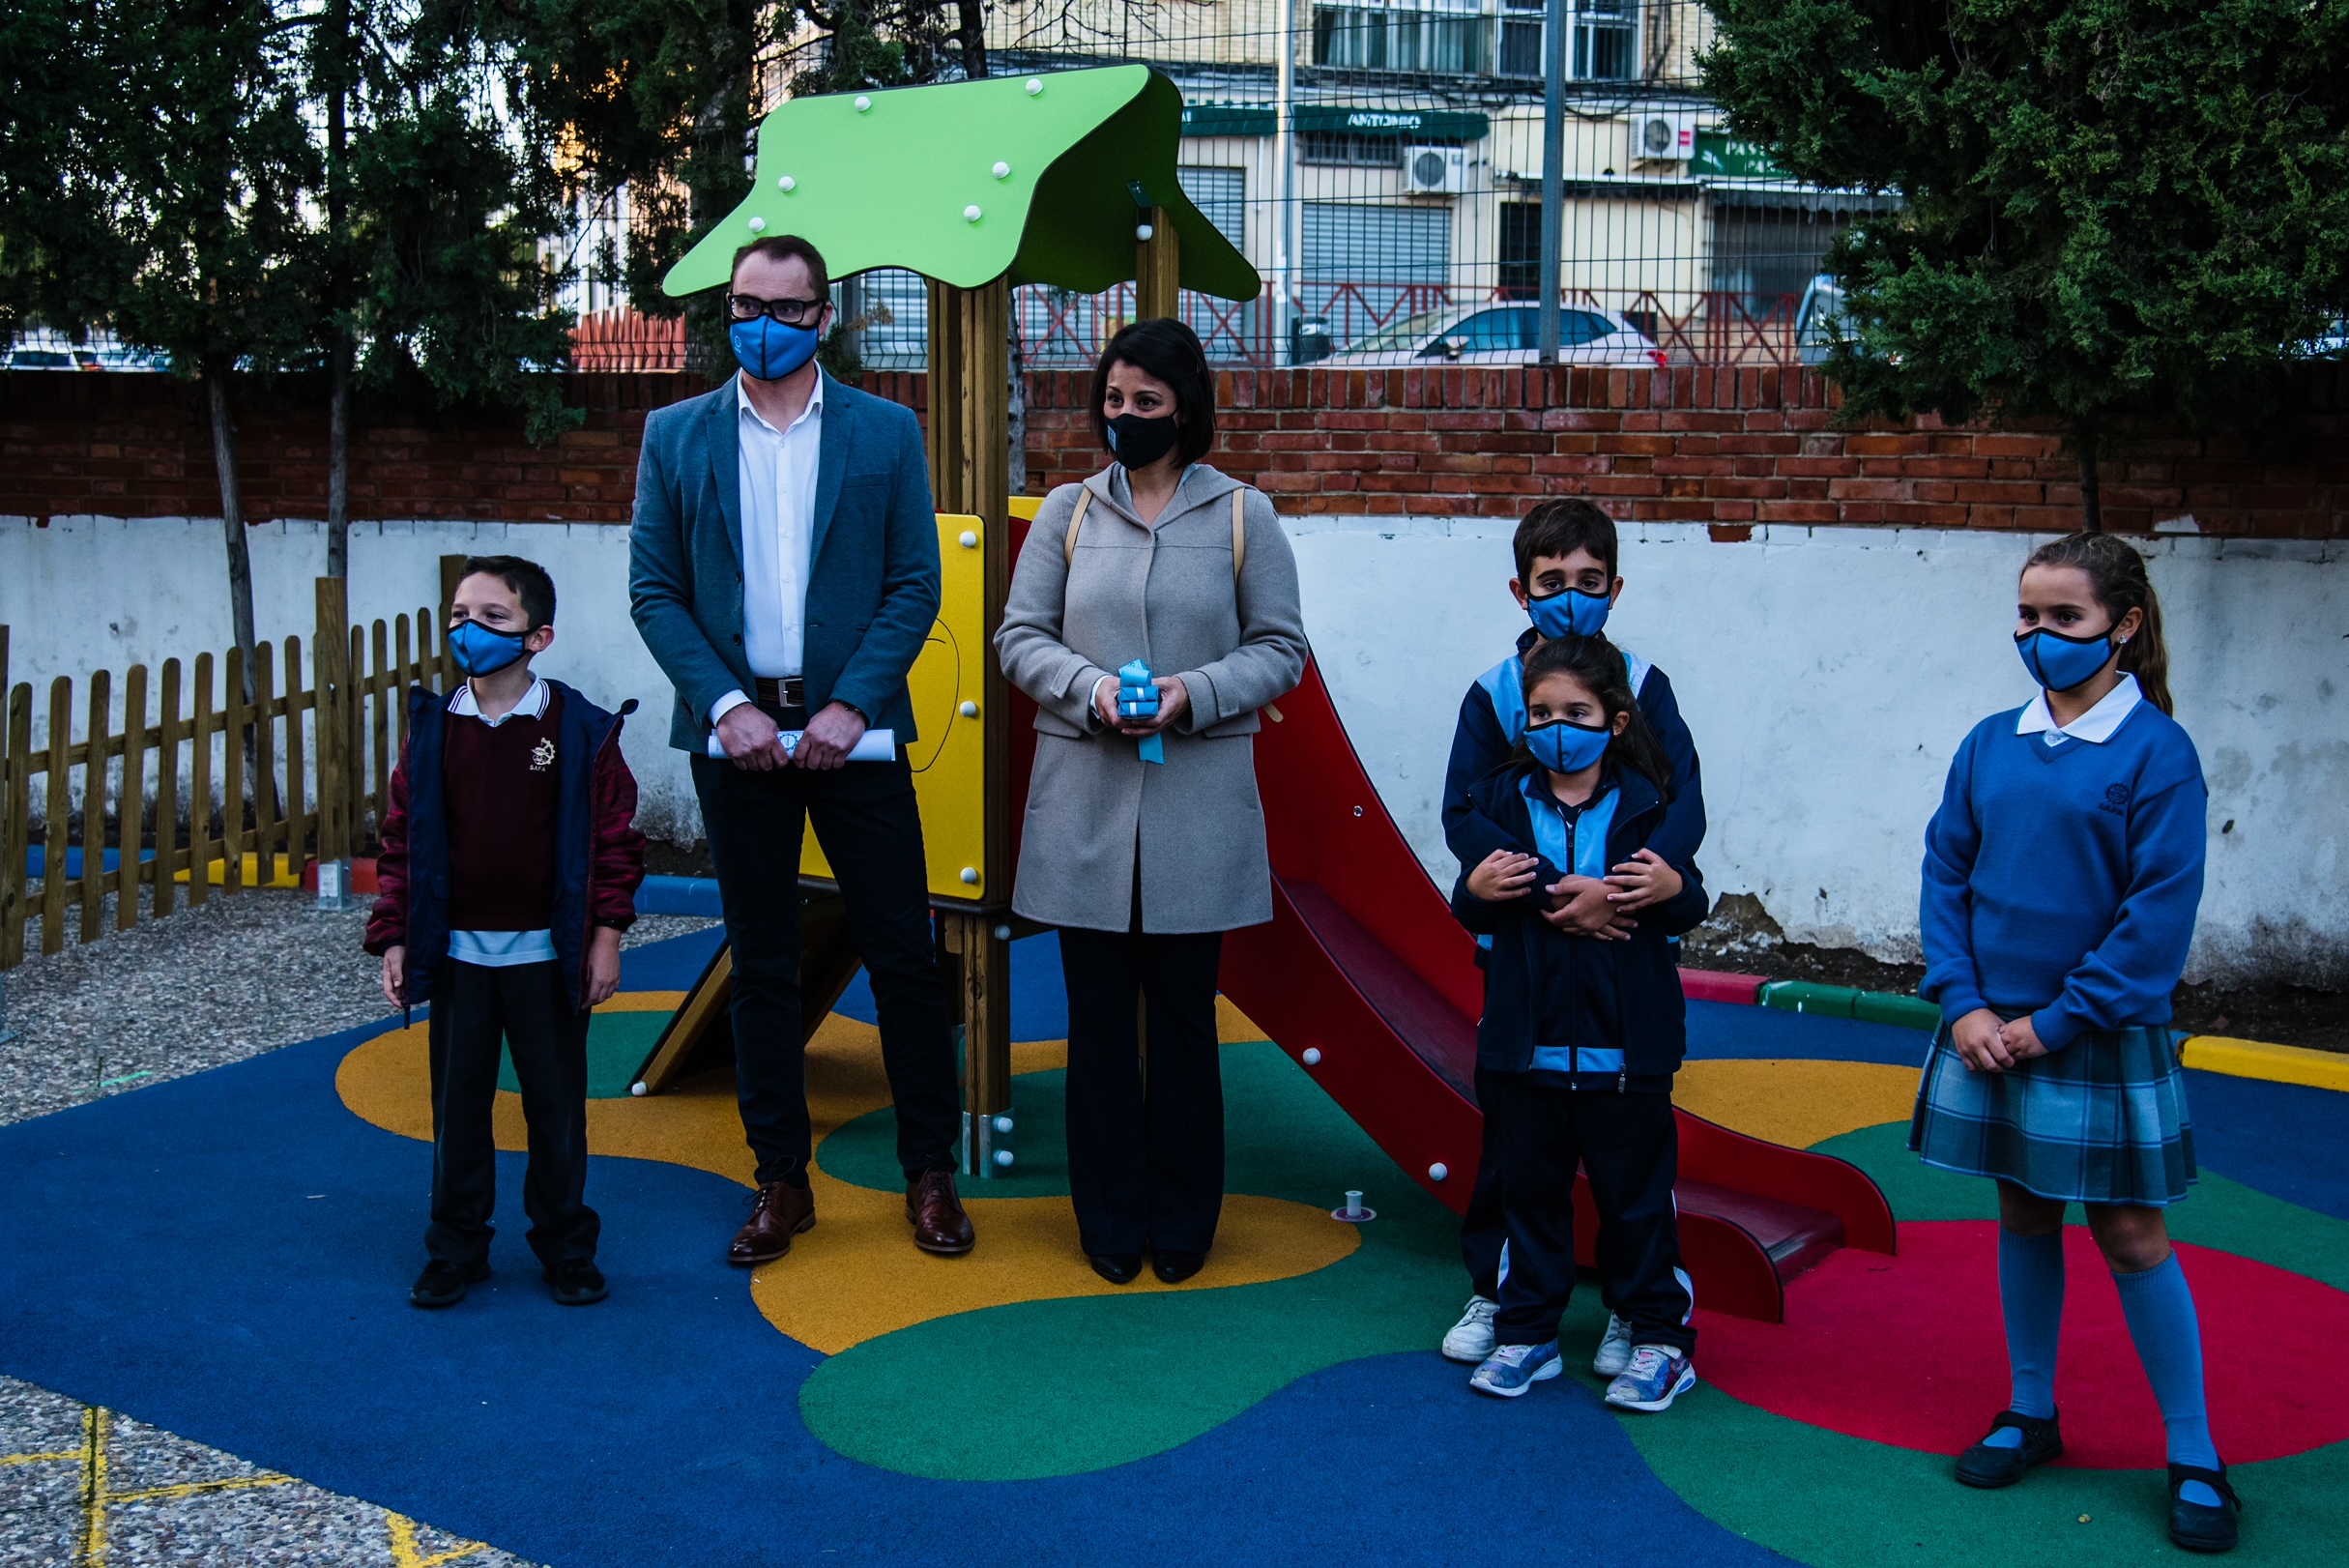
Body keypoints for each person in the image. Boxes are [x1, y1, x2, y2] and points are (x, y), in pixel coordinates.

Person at [628, 234, 973, 1265]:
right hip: (735, 740)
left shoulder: (885, 430)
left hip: (854, 739)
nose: (763, 325)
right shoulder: (675, 435)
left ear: (824, 317)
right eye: (745, 306)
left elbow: (915, 582)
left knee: (904, 957)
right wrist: (727, 705)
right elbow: (655, 591)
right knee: (762, 963)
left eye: (785, 308)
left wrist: (852, 705)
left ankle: (931, 1172)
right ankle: (780, 1178)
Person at [1913, 533, 2234, 1551]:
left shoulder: (2158, 753)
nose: (2039, 635)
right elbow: (1945, 873)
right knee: (2023, 1210)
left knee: (2133, 1235)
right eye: (2028, 616)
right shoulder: (1989, 742)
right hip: (1988, 1026)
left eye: (2064, 617)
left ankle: (2196, 1454)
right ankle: (2031, 1410)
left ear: (2122, 626)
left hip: (2088, 1033)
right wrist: (1964, 1003)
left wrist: (2049, 1024)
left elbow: (2155, 922)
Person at [996, 317, 1307, 1287]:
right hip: (1084, 802)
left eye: (1146, 401)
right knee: (1095, 1022)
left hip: (1195, 806)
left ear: (1186, 408)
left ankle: (1181, 1219)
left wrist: (1192, 692)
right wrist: (1090, 688)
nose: (1124, 416)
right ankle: (1107, 1216)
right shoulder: (1069, 511)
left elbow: (1281, 648)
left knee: (1181, 1022)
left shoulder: (1244, 514)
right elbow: (1019, 636)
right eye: (1113, 399)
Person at [1436, 498, 1705, 1372]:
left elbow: (1680, 801)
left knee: (1630, 1165)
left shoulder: (1645, 685)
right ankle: (1501, 1292)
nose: (1570, 597)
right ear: (1522, 590)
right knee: (1519, 1151)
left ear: (1615, 588)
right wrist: (1555, 894)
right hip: (1529, 950)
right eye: (1552, 581)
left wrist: (1621, 890)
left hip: (1624, 952)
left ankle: (1637, 1312)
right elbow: (1466, 812)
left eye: (1589, 581)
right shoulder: (1494, 693)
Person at [366, 556, 646, 1310]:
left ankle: (566, 1247)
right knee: (458, 1110)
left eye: (494, 617)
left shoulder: (582, 730)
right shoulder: (432, 731)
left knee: (555, 1110)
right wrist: (396, 937)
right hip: (459, 960)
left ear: (538, 637)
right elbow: (402, 841)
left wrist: (606, 936)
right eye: (460, 615)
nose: (471, 629)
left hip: (548, 961)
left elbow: (615, 841)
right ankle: (456, 1248)